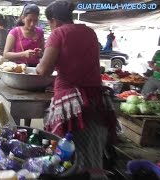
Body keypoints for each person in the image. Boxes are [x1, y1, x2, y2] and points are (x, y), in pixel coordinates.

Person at [36, 1, 117, 169]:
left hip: (72, 105)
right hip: (96, 100)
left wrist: (38, 64)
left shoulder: (58, 33)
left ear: (53, 21)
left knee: (68, 158)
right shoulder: (90, 32)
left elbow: (44, 70)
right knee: (92, 156)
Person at [141, 24, 160, 96]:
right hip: (154, 78)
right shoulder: (158, 52)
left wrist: (153, 67)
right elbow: (152, 62)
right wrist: (151, 63)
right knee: (144, 95)